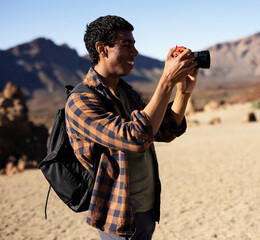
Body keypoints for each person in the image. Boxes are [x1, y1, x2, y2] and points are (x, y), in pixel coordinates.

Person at [65, 15, 198, 240]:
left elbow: (165, 130)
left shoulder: (126, 92)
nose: (135, 52)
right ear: (102, 49)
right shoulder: (80, 102)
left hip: (145, 210)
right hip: (119, 216)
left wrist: (183, 92)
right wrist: (165, 81)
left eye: (134, 44)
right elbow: (135, 138)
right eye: (126, 45)